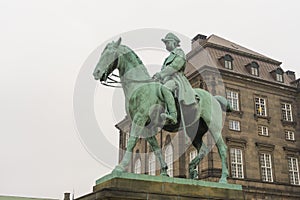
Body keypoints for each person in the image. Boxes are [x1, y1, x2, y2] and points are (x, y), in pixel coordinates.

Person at [153, 33, 197, 125]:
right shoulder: (168, 58)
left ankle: (173, 115)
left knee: (165, 89)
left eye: (167, 43)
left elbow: (175, 66)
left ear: (173, 42)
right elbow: (163, 71)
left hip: (176, 79)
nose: (166, 45)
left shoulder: (179, 52)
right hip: (166, 80)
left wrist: (160, 75)